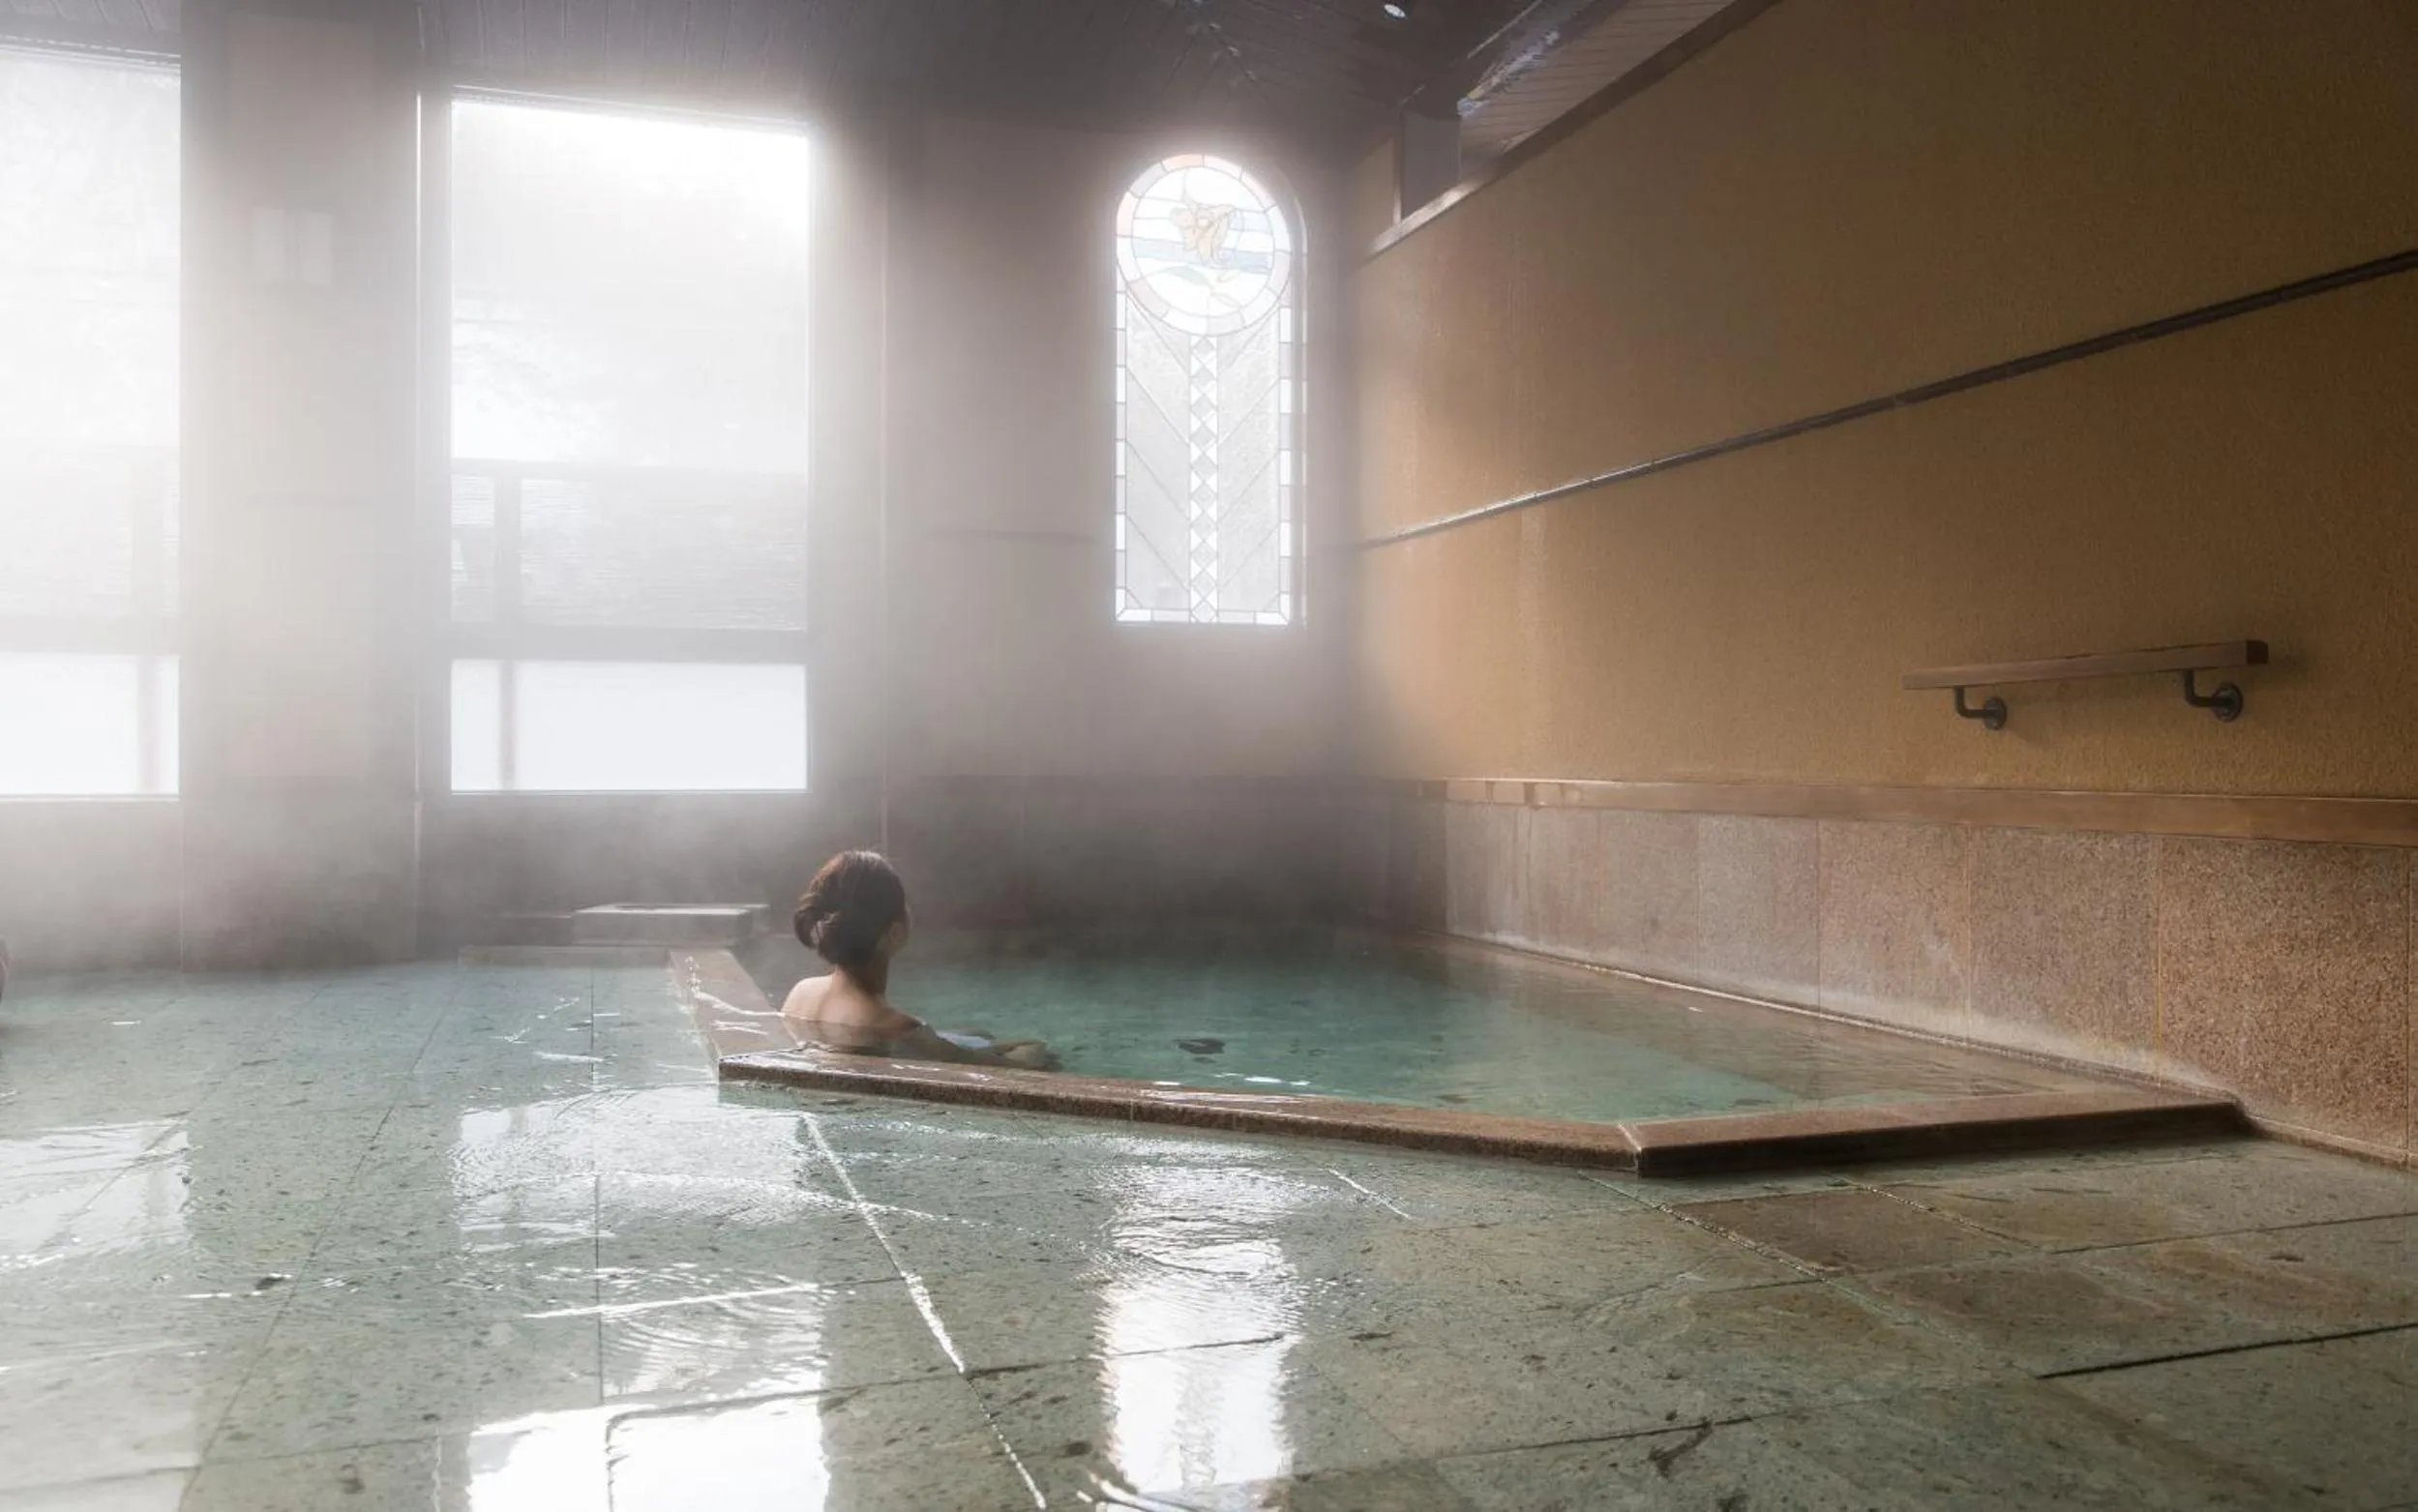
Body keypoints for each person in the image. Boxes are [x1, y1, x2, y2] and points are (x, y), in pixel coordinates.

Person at [780, 851, 1057, 1071]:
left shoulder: (801, 992)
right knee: (1033, 1047)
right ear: (895, 931)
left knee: (978, 1034)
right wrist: (1038, 1055)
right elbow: (1007, 1071)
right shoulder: (896, 1027)